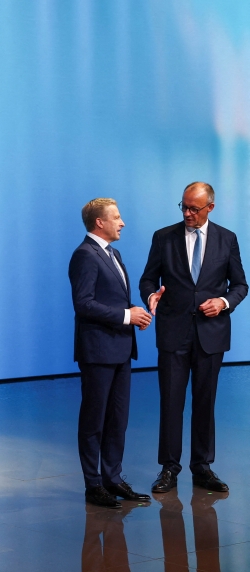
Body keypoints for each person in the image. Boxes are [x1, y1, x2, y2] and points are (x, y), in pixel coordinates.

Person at [139, 182, 247, 494]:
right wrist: (150, 295)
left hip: (211, 335)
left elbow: (240, 284)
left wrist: (223, 302)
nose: (187, 213)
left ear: (210, 207)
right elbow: (149, 277)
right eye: (183, 207)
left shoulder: (227, 239)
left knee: (205, 402)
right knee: (171, 403)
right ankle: (168, 469)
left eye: (194, 209)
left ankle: (202, 468)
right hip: (173, 334)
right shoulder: (164, 237)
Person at [69, 198, 152, 508]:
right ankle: (94, 485)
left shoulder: (112, 253)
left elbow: (113, 299)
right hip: (98, 351)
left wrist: (134, 315)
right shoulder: (85, 256)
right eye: (116, 217)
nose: (123, 222)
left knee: (118, 419)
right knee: (94, 420)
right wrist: (127, 316)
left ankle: (113, 478)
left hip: (120, 349)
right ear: (99, 223)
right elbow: (84, 303)